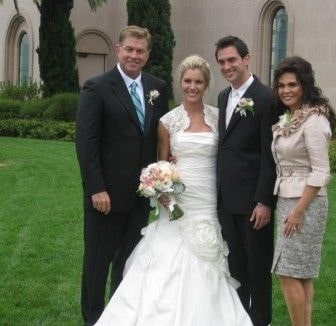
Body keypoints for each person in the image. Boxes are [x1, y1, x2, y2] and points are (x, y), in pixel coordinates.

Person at [94, 55, 253, 325]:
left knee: (209, 253)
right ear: (180, 83)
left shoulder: (217, 117)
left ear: (206, 84)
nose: (193, 87)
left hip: (208, 196)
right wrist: (164, 193)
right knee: (169, 254)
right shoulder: (168, 121)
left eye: (199, 82)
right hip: (178, 197)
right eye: (188, 81)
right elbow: (161, 163)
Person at [75, 26, 169, 325]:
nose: (134, 55)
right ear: (118, 49)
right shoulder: (97, 87)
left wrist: (165, 171)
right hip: (105, 196)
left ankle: (118, 316)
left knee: (128, 262)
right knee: (97, 263)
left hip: (140, 196)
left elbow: (161, 136)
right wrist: (96, 188)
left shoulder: (157, 88)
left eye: (140, 51)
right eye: (129, 49)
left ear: (148, 55)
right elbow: (86, 143)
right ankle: (92, 318)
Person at [270, 56, 336, 326]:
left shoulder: (314, 120)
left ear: (304, 85)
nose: (286, 90)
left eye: (293, 84)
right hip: (288, 198)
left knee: (287, 272)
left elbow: (321, 172)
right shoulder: (293, 116)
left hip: (305, 203)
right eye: (282, 85)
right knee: (300, 273)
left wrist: (298, 211)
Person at [215, 36, 276, 326]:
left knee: (258, 268)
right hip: (227, 201)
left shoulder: (266, 99)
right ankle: (240, 319)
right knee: (236, 266)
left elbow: (270, 156)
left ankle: (261, 320)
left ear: (246, 59)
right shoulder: (223, 97)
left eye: (232, 60)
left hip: (254, 203)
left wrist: (265, 200)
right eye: (222, 62)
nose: (227, 66)